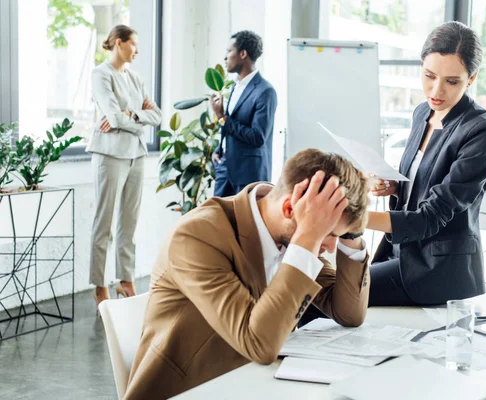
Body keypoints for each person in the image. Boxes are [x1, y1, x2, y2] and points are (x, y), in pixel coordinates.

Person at [124, 149, 370, 400]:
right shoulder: (198, 236)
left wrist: (352, 232)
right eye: (328, 233)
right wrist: (308, 238)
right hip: (188, 392)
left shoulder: (291, 234)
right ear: (289, 208)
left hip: (254, 387)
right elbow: (259, 344)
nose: (330, 247)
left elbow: (348, 313)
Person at [367, 21, 486, 306]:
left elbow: (432, 215)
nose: (436, 90)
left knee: (332, 290)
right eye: (429, 76)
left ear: (472, 78)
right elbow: (422, 183)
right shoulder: (422, 113)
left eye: (452, 81)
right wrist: (395, 187)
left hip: (436, 267)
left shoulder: (481, 131)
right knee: (326, 281)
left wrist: (352, 218)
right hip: (402, 252)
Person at [86, 25, 162, 308]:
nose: (137, 51)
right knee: (104, 223)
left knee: (128, 223)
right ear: (119, 43)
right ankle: (99, 285)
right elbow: (113, 118)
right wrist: (131, 118)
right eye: (134, 44)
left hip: (136, 155)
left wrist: (130, 115)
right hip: (109, 154)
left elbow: (157, 115)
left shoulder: (135, 77)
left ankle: (126, 280)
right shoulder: (100, 74)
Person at [210, 30, 277, 197]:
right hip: (225, 169)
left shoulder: (265, 91)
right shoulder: (234, 87)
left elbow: (258, 137)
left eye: (229, 51)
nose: (225, 57)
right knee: (216, 220)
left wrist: (222, 118)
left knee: (244, 223)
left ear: (242, 54)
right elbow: (228, 125)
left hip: (248, 175)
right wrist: (219, 151)